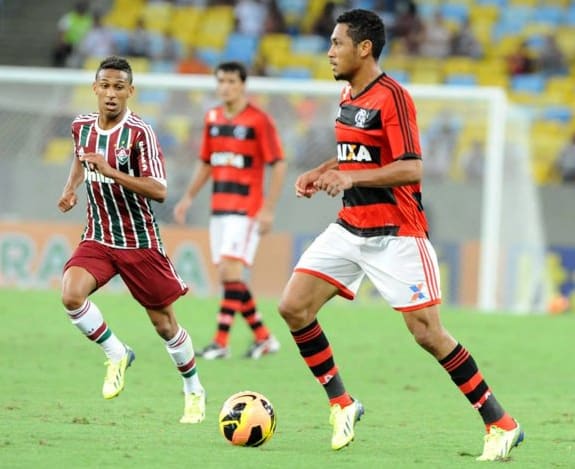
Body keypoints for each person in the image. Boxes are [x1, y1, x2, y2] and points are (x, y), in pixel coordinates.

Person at [277, 9, 524, 460]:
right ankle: (342, 403)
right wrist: (325, 170)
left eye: (337, 43)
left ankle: (501, 424)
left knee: (428, 333)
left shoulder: (393, 97)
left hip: (397, 233)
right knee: (293, 307)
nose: (329, 51)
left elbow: (411, 167)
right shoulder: (349, 95)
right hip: (351, 228)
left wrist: (351, 180)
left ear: (364, 47)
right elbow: (358, 157)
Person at [57, 56, 205, 424]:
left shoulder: (140, 133)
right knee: (71, 294)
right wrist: (70, 188)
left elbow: (159, 190)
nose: (110, 94)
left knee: (165, 325)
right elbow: (81, 158)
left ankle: (193, 389)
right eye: (104, 86)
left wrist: (110, 171)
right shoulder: (81, 127)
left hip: (139, 241)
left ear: (130, 92)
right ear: (94, 88)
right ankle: (117, 352)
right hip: (99, 235)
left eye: (118, 87)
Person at [173, 61, 287, 360]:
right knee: (230, 276)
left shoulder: (258, 121)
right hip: (219, 209)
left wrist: (268, 208)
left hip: (246, 209)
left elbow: (278, 163)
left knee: (229, 271)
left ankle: (220, 342)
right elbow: (208, 161)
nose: (225, 86)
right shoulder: (212, 118)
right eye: (221, 81)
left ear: (242, 85)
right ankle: (264, 338)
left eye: (231, 81)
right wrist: (188, 197)